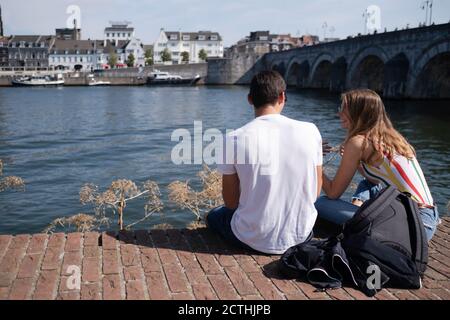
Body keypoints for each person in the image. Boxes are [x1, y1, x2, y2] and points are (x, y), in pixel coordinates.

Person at [205, 70, 323, 255]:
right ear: (282, 96)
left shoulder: (233, 138)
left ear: (250, 99)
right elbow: (315, 192)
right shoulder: (311, 131)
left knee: (214, 215)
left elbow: (231, 202)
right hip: (301, 234)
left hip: (251, 238)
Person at [316, 89, 440, 241]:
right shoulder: (391, 138)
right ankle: (358, 203)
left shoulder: (358, 142)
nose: (339, 113)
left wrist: (314, 160)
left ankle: (356, 208)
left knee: (321, 203)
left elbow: (333, 193)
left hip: (413, 227)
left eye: (343, 109)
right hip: (428, 218)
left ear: (358, 113)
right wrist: (357, 163)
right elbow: (378, 178)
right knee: (369, 183)